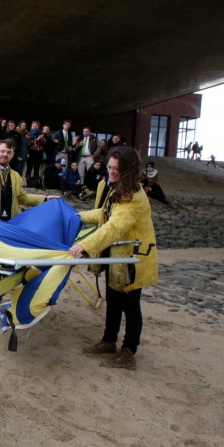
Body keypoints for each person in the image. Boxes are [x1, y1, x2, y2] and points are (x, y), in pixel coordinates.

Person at [70, 147, 158, 370]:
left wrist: (85, 245)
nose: (111, 172)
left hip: (131, 259)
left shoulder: (135, 198)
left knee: (130, 305)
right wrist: (78, 216)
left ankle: (129, 352)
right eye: (109, 167)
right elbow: (104, 214)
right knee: (113, 299)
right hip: (115, 256)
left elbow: (114, 227)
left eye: (116, 169)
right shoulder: (116, 189)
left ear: (128, 170)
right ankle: (109, 341)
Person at [0, 138, 58, 223]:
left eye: (8, 152)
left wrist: (45, 199)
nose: (5, 154)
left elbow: (23, 198)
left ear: (13, 154)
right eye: (2, 151)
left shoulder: (16, 176)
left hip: (10, 223)